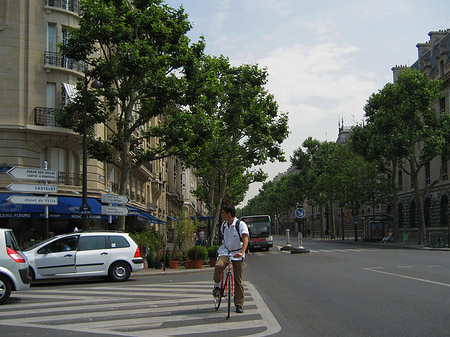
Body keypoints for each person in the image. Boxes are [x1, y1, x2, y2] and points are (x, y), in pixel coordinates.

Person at [213, 203, 249, 314]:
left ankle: (239, 304)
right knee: (219, 265)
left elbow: (246, 239)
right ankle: (217, 286)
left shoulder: (240, 224)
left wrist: (242, 252)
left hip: (237, 253)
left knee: (238, 281)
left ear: (229, 214)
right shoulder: (223, 225)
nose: (221, 215)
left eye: (223, 213)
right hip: (226, 251)